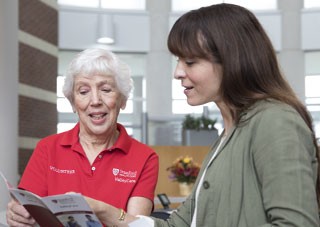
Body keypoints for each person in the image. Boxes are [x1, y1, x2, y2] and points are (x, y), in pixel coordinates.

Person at [73, 3, 320, 227]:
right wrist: (103, 211)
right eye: (179, 61)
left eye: (190, 62)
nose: (178, 72)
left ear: (232, 60)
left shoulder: (274, 121)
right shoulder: (228, 135)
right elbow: (178, 225)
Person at [6, 48, 159, 226]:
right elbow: (29, 210)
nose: (95, 100)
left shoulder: (144, 158)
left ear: (122, 100)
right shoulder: (47, 149)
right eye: (83, 91)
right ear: (73, 103)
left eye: (106, 89)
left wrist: (100, 209)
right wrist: (18, 216)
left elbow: (136, 225)